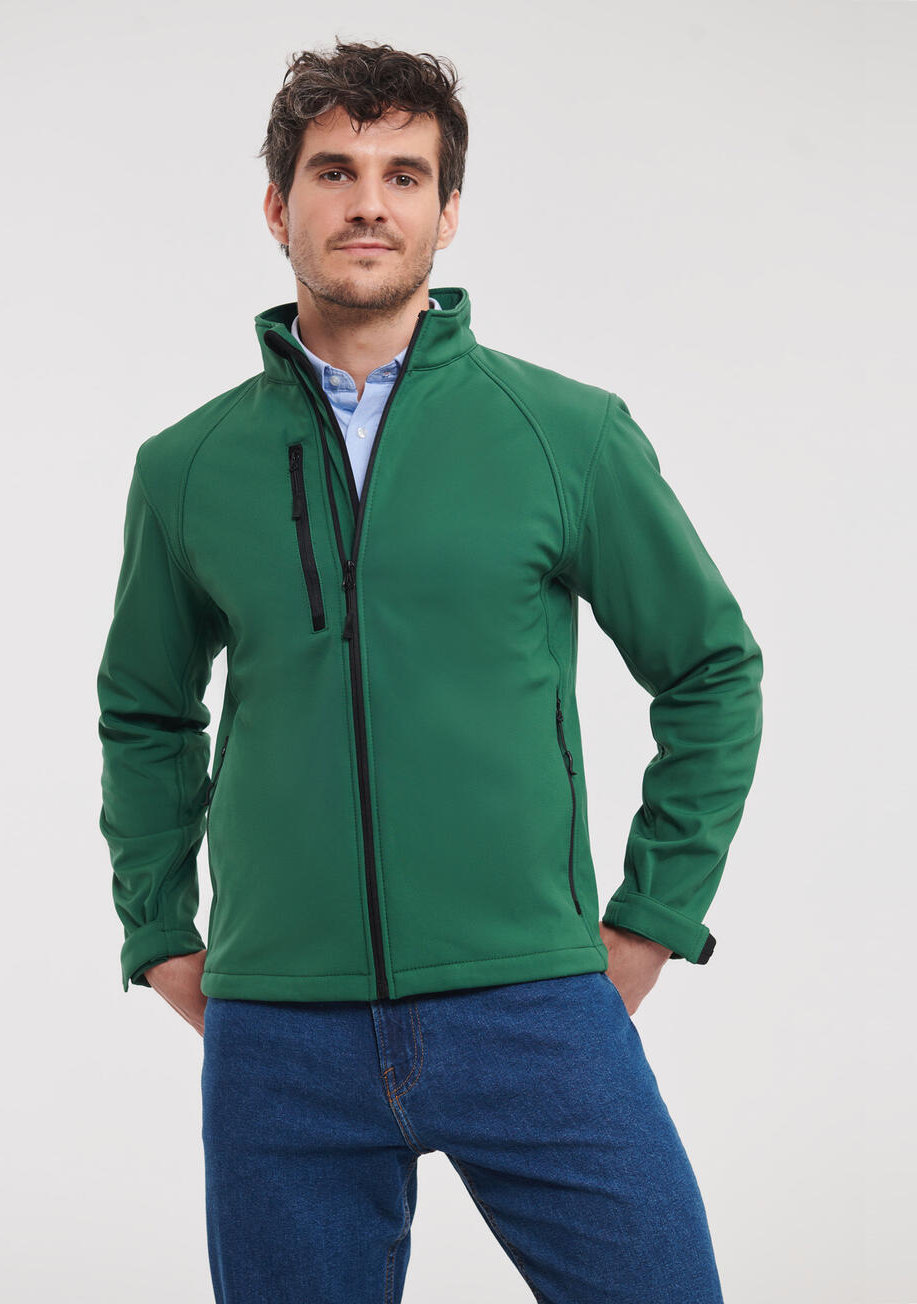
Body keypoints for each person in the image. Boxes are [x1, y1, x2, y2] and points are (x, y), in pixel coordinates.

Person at [96, 37, 763, 1304]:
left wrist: (653, 916)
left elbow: (711, 668)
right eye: (333, 171)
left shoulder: (563, 433)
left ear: (447, 211)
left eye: (404, 175)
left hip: (532, 998)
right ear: (277, 205)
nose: (368, 203)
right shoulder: (185, 467)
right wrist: (158, 927)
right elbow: (143, 708)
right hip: (280, 1026)